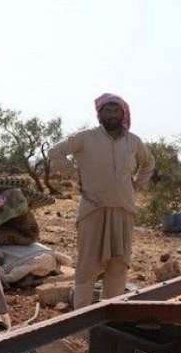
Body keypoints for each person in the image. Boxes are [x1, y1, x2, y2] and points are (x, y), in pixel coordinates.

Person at [48, 93, 155, 308]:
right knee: (87, 265)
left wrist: (137, 184)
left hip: (124, 208)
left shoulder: (133, 141)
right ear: (99, 114)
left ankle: (110, 319)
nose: (112, 115)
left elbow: (149, 163)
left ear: (123, 113)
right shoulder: (85, 138)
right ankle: (81, 318)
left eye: (116, 111)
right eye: (107, 110)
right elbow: (55, 152)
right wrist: (74, 174)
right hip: (93, 208)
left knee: (118, 265)